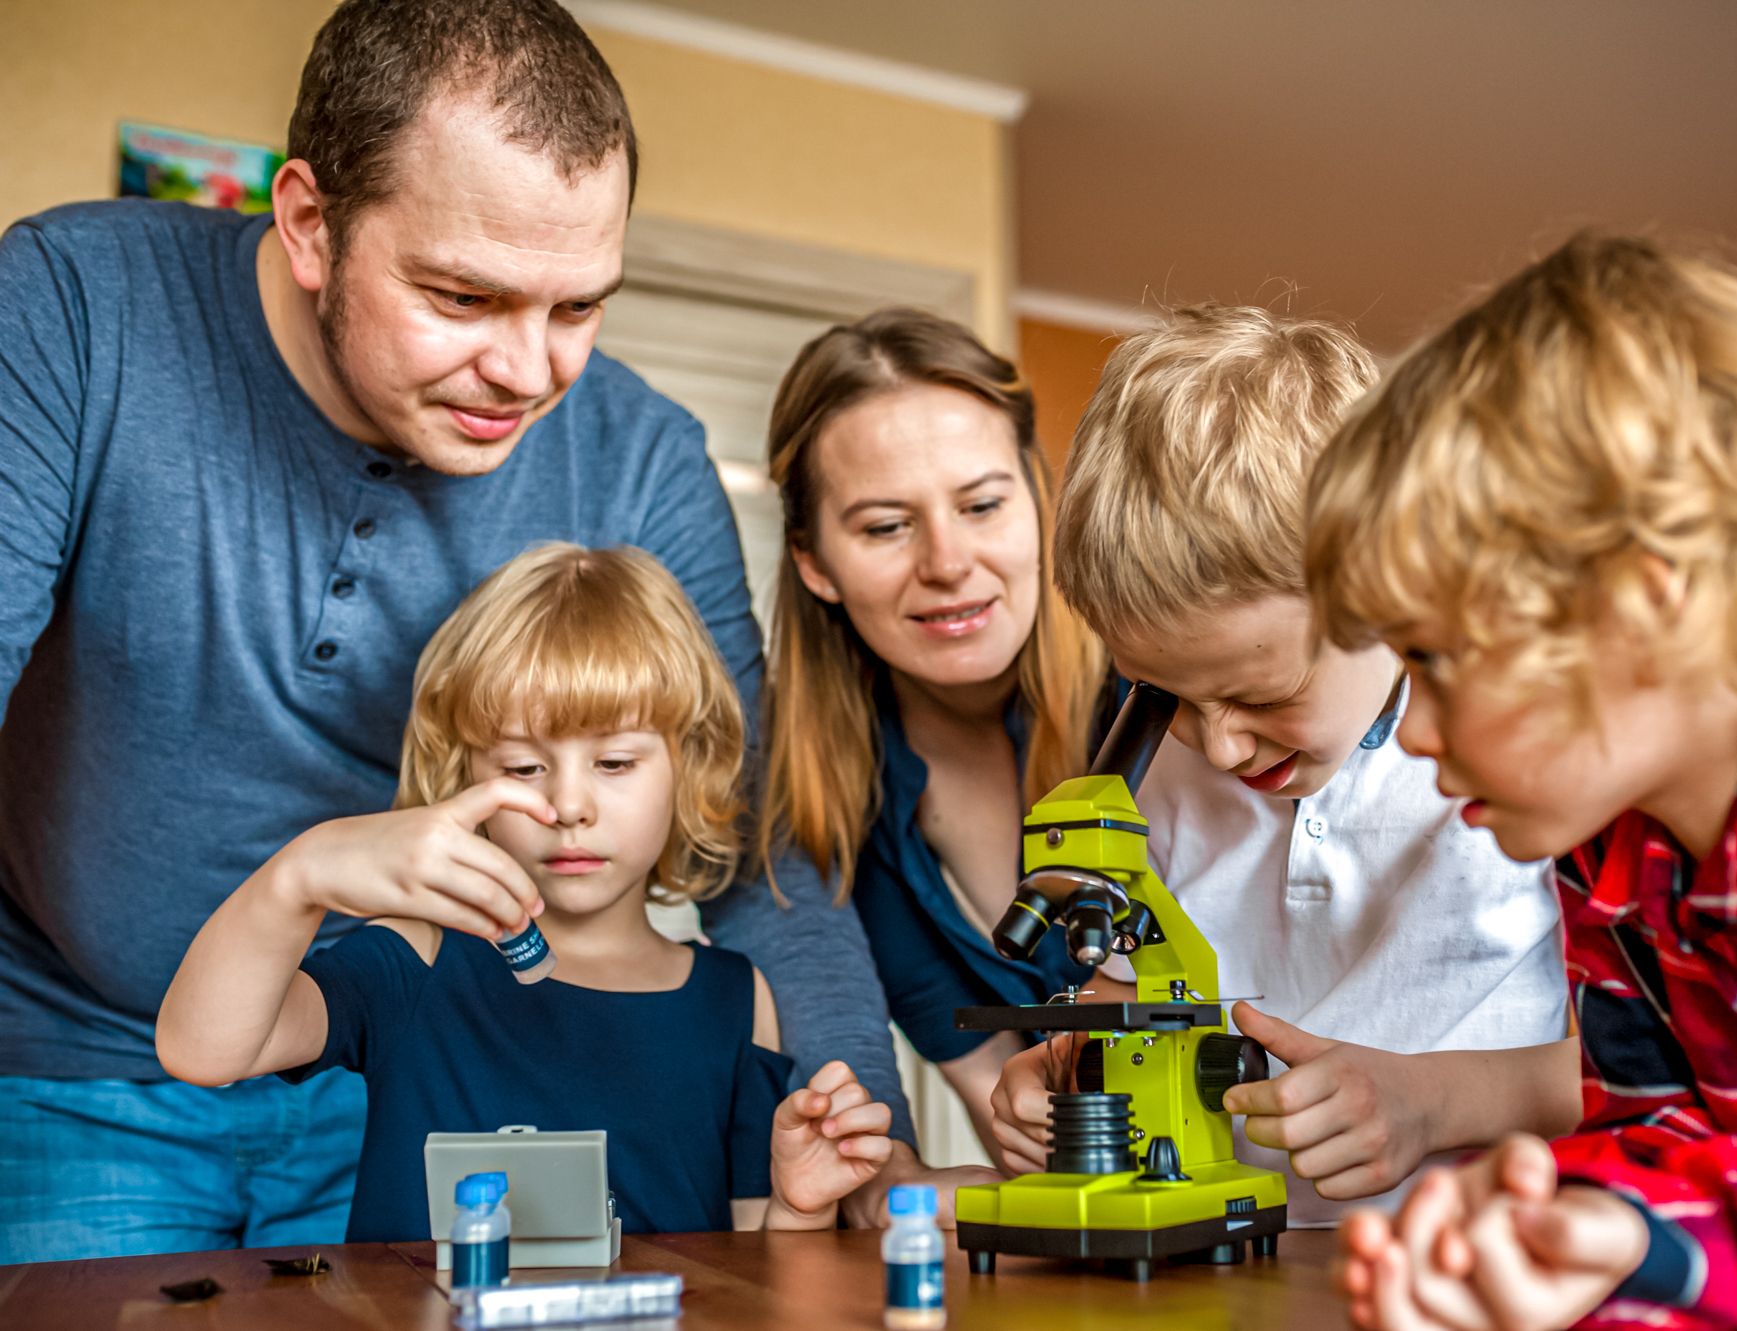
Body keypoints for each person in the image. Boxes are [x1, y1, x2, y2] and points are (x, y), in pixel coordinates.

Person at [0, 0, 912, 1262]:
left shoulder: (638, 457)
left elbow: (760, 848)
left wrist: (878, 1145)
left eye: (579, 307)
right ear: (311, 222)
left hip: (409, 1097)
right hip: (66, 1065)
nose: (529, 371)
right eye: (463, 296)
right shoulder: (72, 307)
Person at [1312, 234, 1737, 1331]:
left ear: (1642, 598)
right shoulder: (1608, 847)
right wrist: (1562, 1232)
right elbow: (1677, 1150)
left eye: (1434, 661)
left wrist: (1645, 1238)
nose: (1412, 734)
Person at [988, 305, 1576, 1225]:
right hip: (1241, 1252)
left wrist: (1436, 1102)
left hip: (1478, 1262)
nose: (1219, 745)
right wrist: (1064, 1072)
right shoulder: (1151, 771)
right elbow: (1120, 996)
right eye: (1165, 696)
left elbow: (1640, 1068)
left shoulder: (1538, 747)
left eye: (1262, 693)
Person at [156, 545, 893, 1238]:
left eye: (613, 761)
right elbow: (203, 1051)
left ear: (688, 766)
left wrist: (798, 1209)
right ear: (464, 775)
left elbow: (760, 1278)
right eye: (522, 767)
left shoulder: (741, 1000)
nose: (570, 805)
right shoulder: (415, 959)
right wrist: (299, 875)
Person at [756, 308, 1109, 1163]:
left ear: (1035, 498)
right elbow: (1014, 1118)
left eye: (982, 503)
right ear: (813, 561)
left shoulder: (1167, 702)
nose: (947, 562)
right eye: (886, 525)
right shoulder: (846, 808)